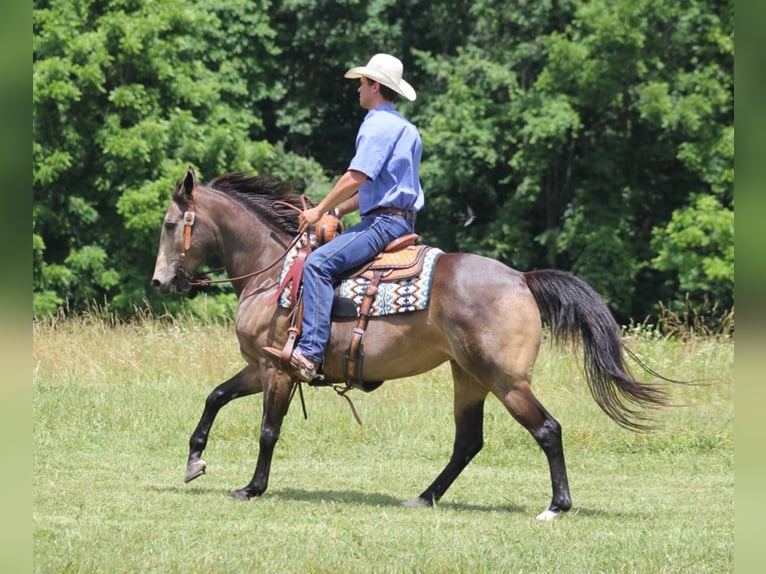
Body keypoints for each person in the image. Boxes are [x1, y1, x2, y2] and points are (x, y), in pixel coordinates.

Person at [265, 53, 424, 382]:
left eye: (362, 83)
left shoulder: (377, 124)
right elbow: (382, 188)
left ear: (375, 86)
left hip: (382, 224)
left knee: (318, 265)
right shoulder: (407, 129)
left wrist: (319, 210)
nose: (358, 90)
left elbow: (357, 177)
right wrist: (340, 210)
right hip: (399, 219)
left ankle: (309, 353)